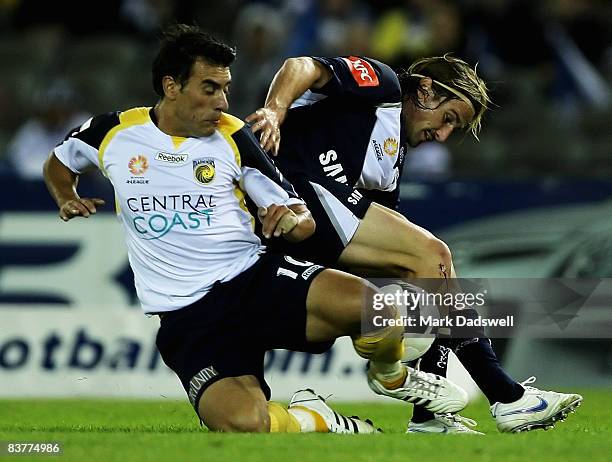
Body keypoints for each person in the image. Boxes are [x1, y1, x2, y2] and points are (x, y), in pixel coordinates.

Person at [42, 24, 468, 434]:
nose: (223, 102)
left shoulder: (237, 138)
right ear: (172, 87)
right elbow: (60, 161)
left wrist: (290, 222)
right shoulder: (112, 133)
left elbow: (300, 218)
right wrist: (66, 196)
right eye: (210, 88)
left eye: (226, 88)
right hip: (188, 317)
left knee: (382, 312)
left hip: (256, 282)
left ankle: (392, 376)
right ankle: (319, 420)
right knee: (245, 423)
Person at [246, 54, 583, 433]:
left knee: (433, 277)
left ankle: (431, 416)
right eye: (448, 118)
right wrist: (275, 110)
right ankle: (505, 396)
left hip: (299, 226)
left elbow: (413, 262)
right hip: (291, 191)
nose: (442, 135)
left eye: (453, 128)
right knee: (432, 256)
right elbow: (302, 66)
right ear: (425, 89)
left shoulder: (391, 164)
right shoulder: (385, 86)